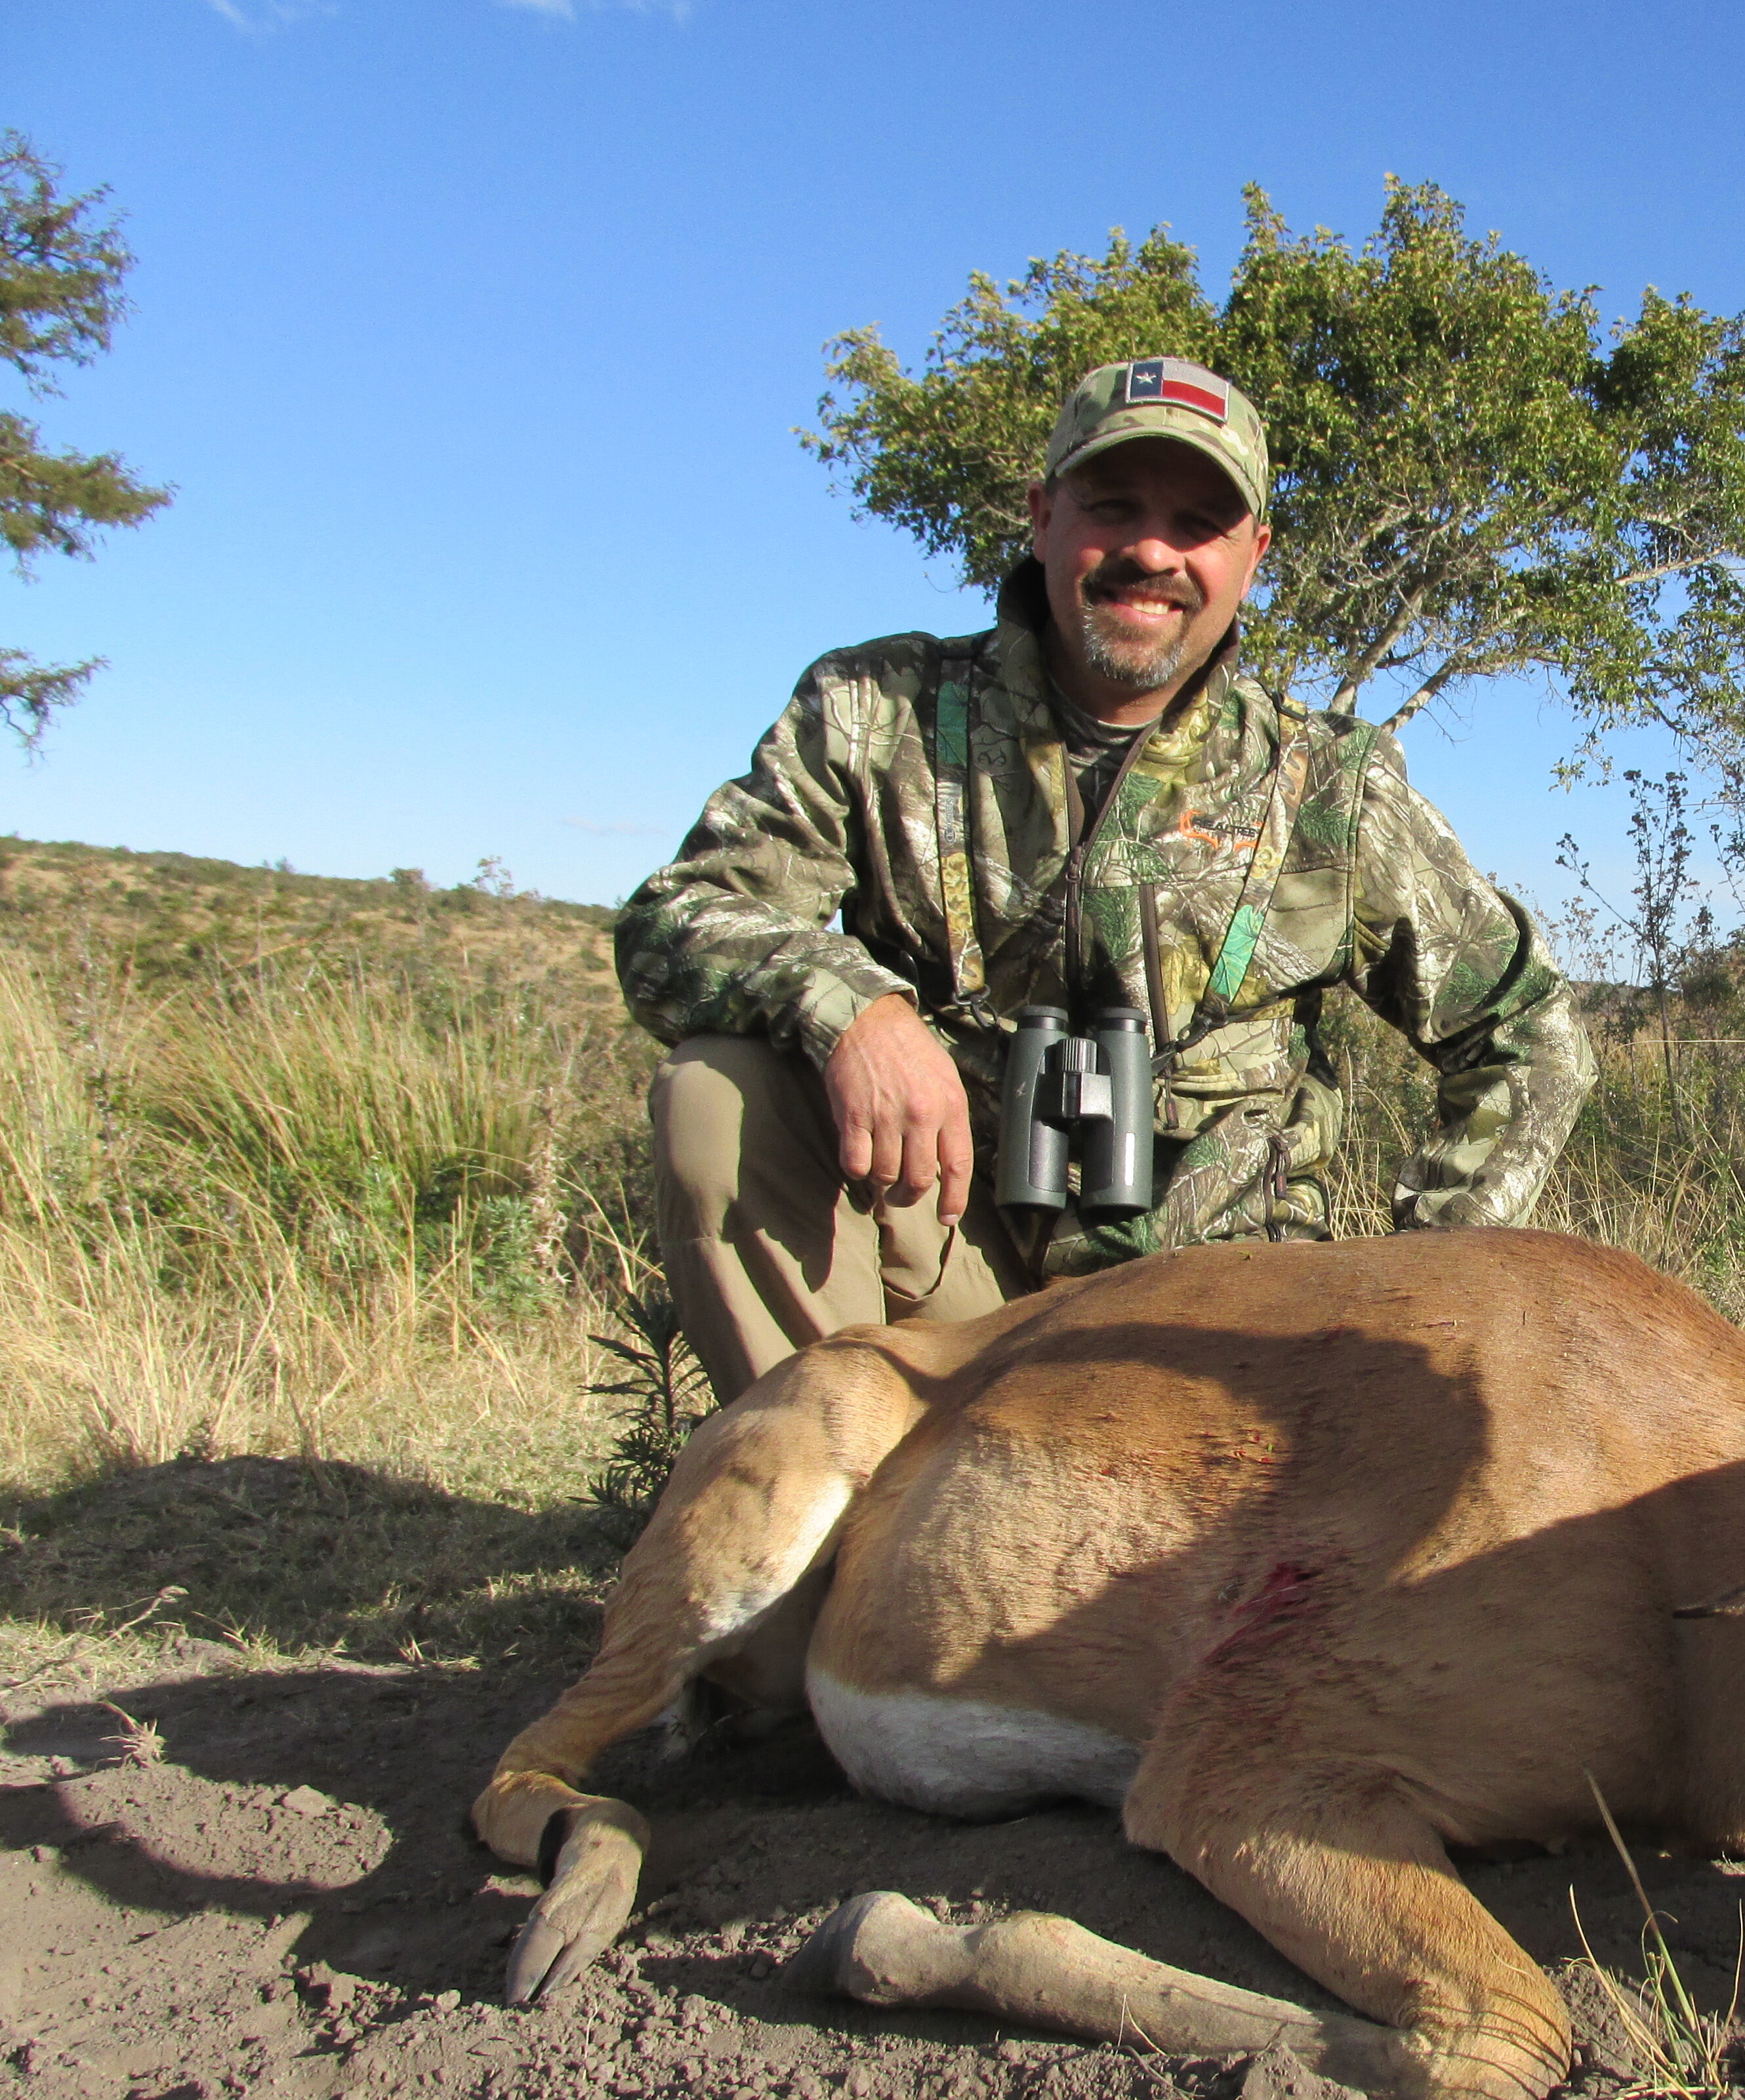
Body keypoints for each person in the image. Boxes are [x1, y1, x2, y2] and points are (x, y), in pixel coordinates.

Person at [617, 355, 1593, 1400]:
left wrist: (1415, 1294)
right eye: (1112, 505)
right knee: (719, 1094)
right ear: (1041, 517)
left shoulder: (1328, 789)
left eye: (1200, 523)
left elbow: (1532, 1036)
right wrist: (857, 1011)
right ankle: (840, 1517)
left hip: (1223, 1329)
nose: (1152, 552)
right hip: (954, 1281)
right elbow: (676, 917)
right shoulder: (878, 709)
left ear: (1253, 556)